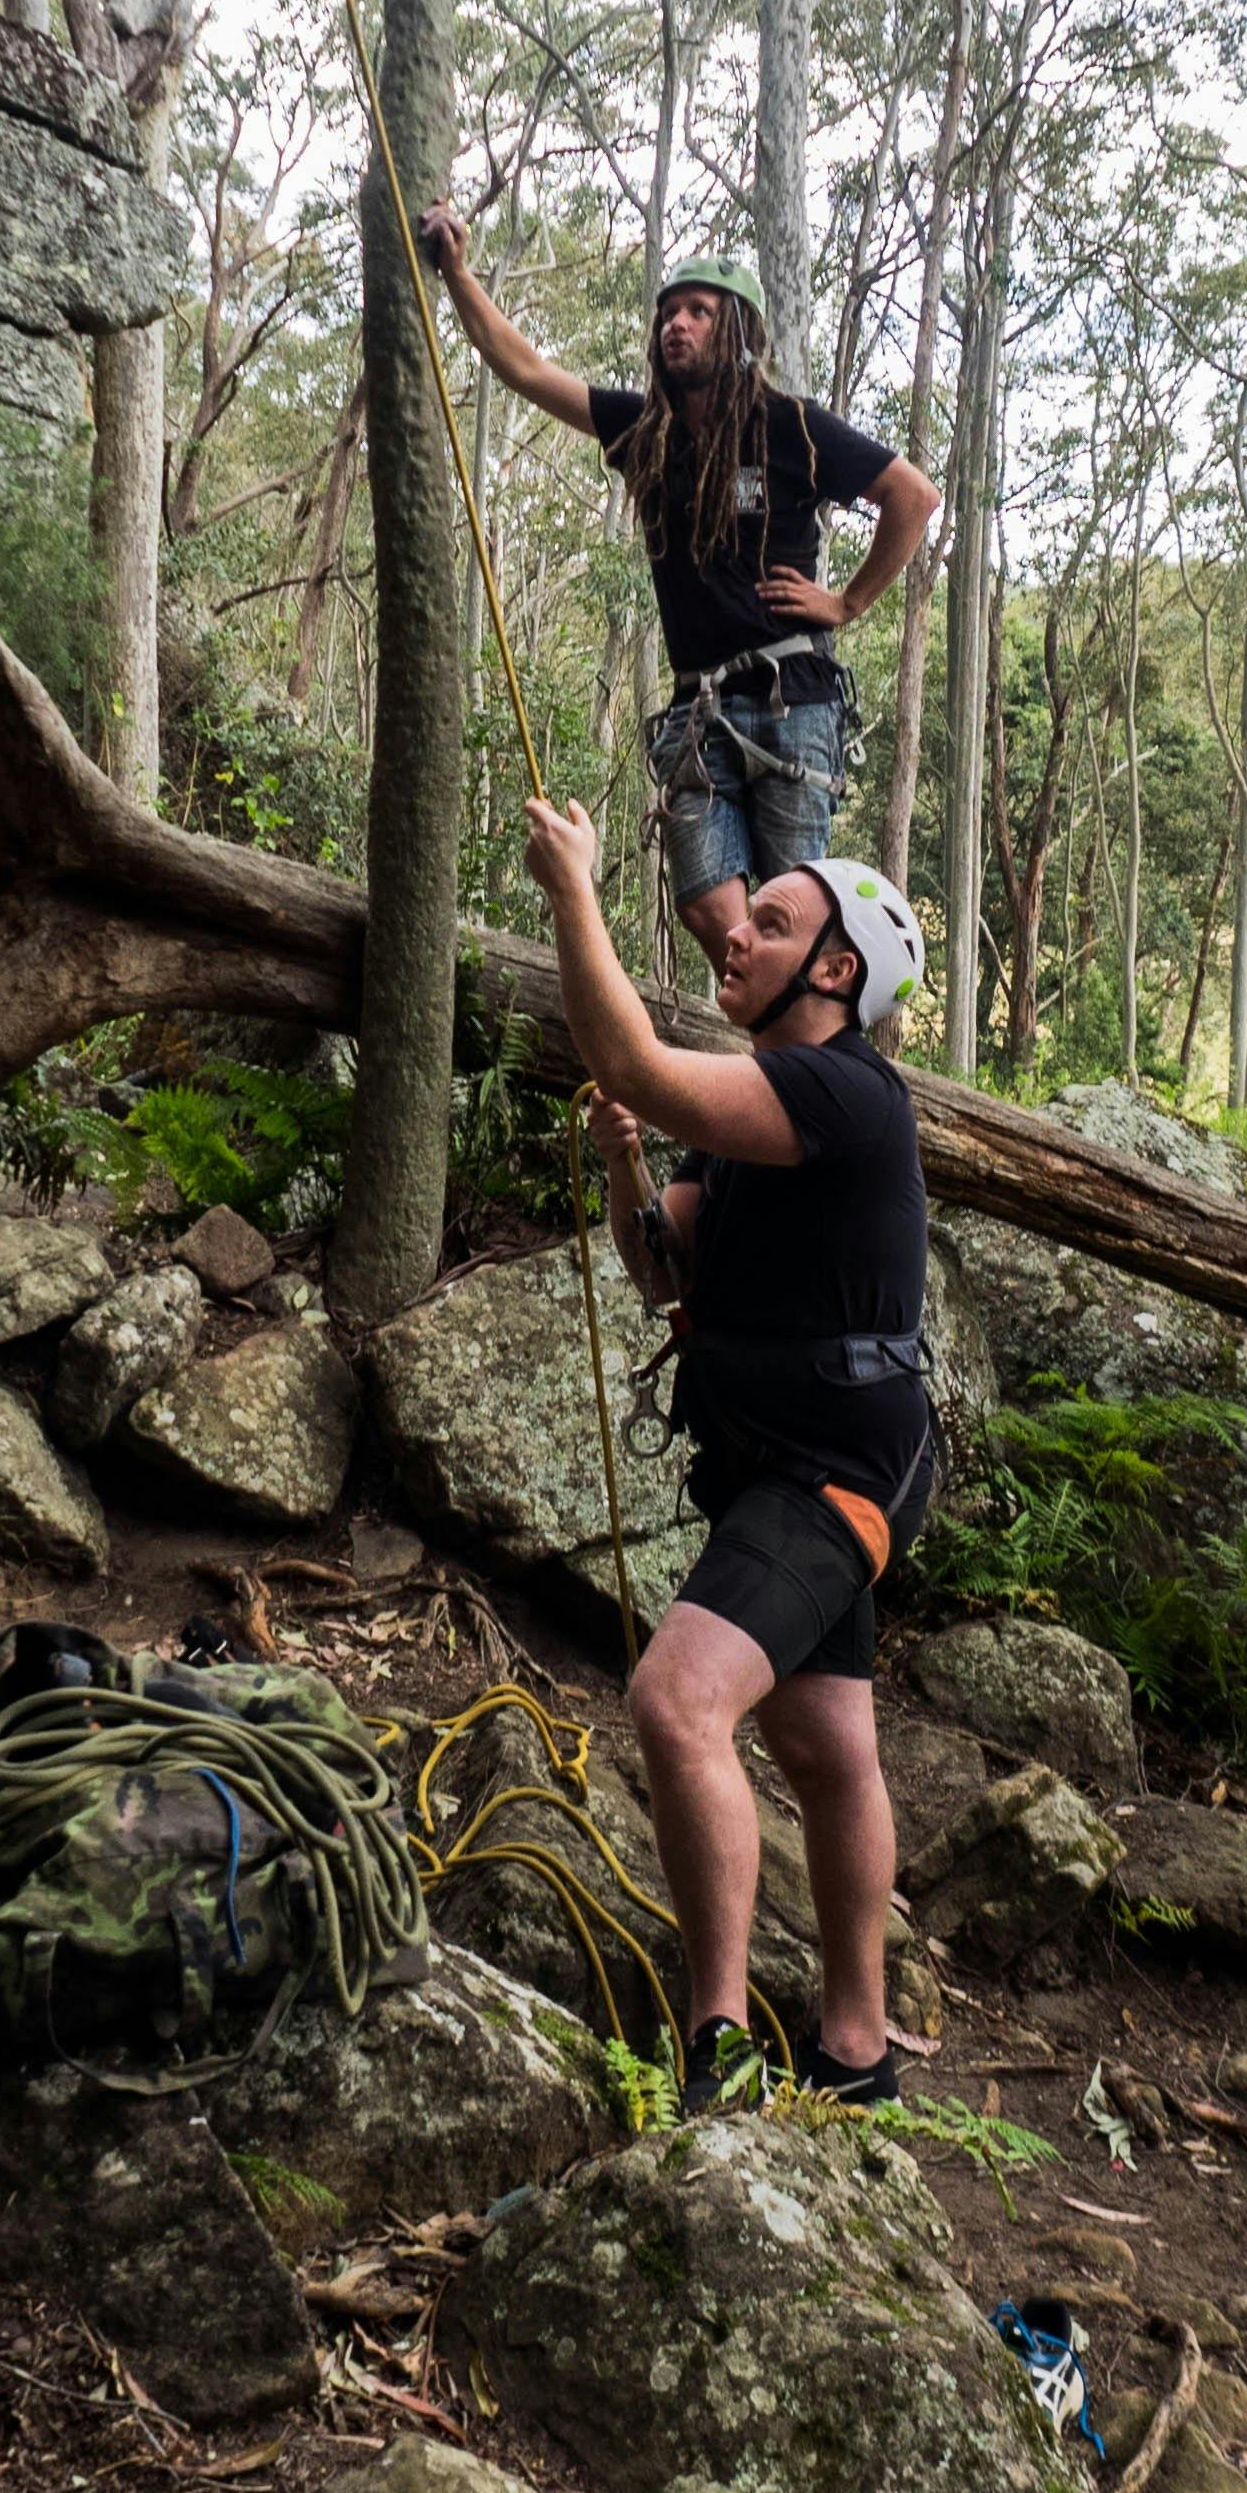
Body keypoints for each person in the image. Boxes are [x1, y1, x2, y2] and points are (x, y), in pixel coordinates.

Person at [520, 792, 935, 2105]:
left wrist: (572, 889)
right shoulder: (768, 1111)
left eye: (770, 923)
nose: (734, 937)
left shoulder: (840, 1089)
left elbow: (641, 1059)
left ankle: (718, 2042)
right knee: (822, 1744)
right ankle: (857, 2050)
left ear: (836, 970)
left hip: (839, 1470)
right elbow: (661, 1271)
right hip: (781, 1458)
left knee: (675, 1699)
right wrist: (622, 1168)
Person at [423, 211, 937, 956]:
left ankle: (793, 1059)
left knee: (794, 920)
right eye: (668, 313)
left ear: (736, 332)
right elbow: (527, 370)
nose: (677, 325)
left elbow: (913, 496)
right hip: (697, 707)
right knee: (708, 908)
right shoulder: (645, 432)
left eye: (698, 312)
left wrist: (846, 602)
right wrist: (458, 275)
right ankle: (776, 1034)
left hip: (791, 695)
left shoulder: (787, 426)